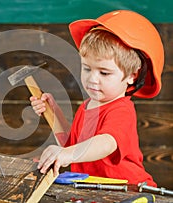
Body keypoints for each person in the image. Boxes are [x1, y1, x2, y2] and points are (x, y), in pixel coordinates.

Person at [30, 10, 164, 187]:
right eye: (87, 68)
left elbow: (106, 143)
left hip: (128, 190)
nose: (92, 78)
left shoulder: (121, 110)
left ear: (132, 76)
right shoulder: (87, 106)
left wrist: (67, 154)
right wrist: (53, 112)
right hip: (94, 191)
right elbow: (70, 144)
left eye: (104, 72)